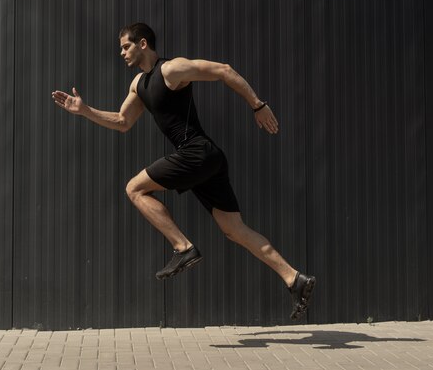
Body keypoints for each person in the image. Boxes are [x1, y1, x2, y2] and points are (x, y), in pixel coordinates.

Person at [52, 22, 316, 320]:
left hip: (197, 152)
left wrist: (257, 105)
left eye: (125, 46)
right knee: (234, 229)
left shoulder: (171, 70)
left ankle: (184, 247)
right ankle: (295, 279)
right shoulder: (138, 84)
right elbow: (122, 122)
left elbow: (223, 70)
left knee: (134, 189)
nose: (122, 53)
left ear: (142, 44)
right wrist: (85, 110)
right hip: (206, 159)